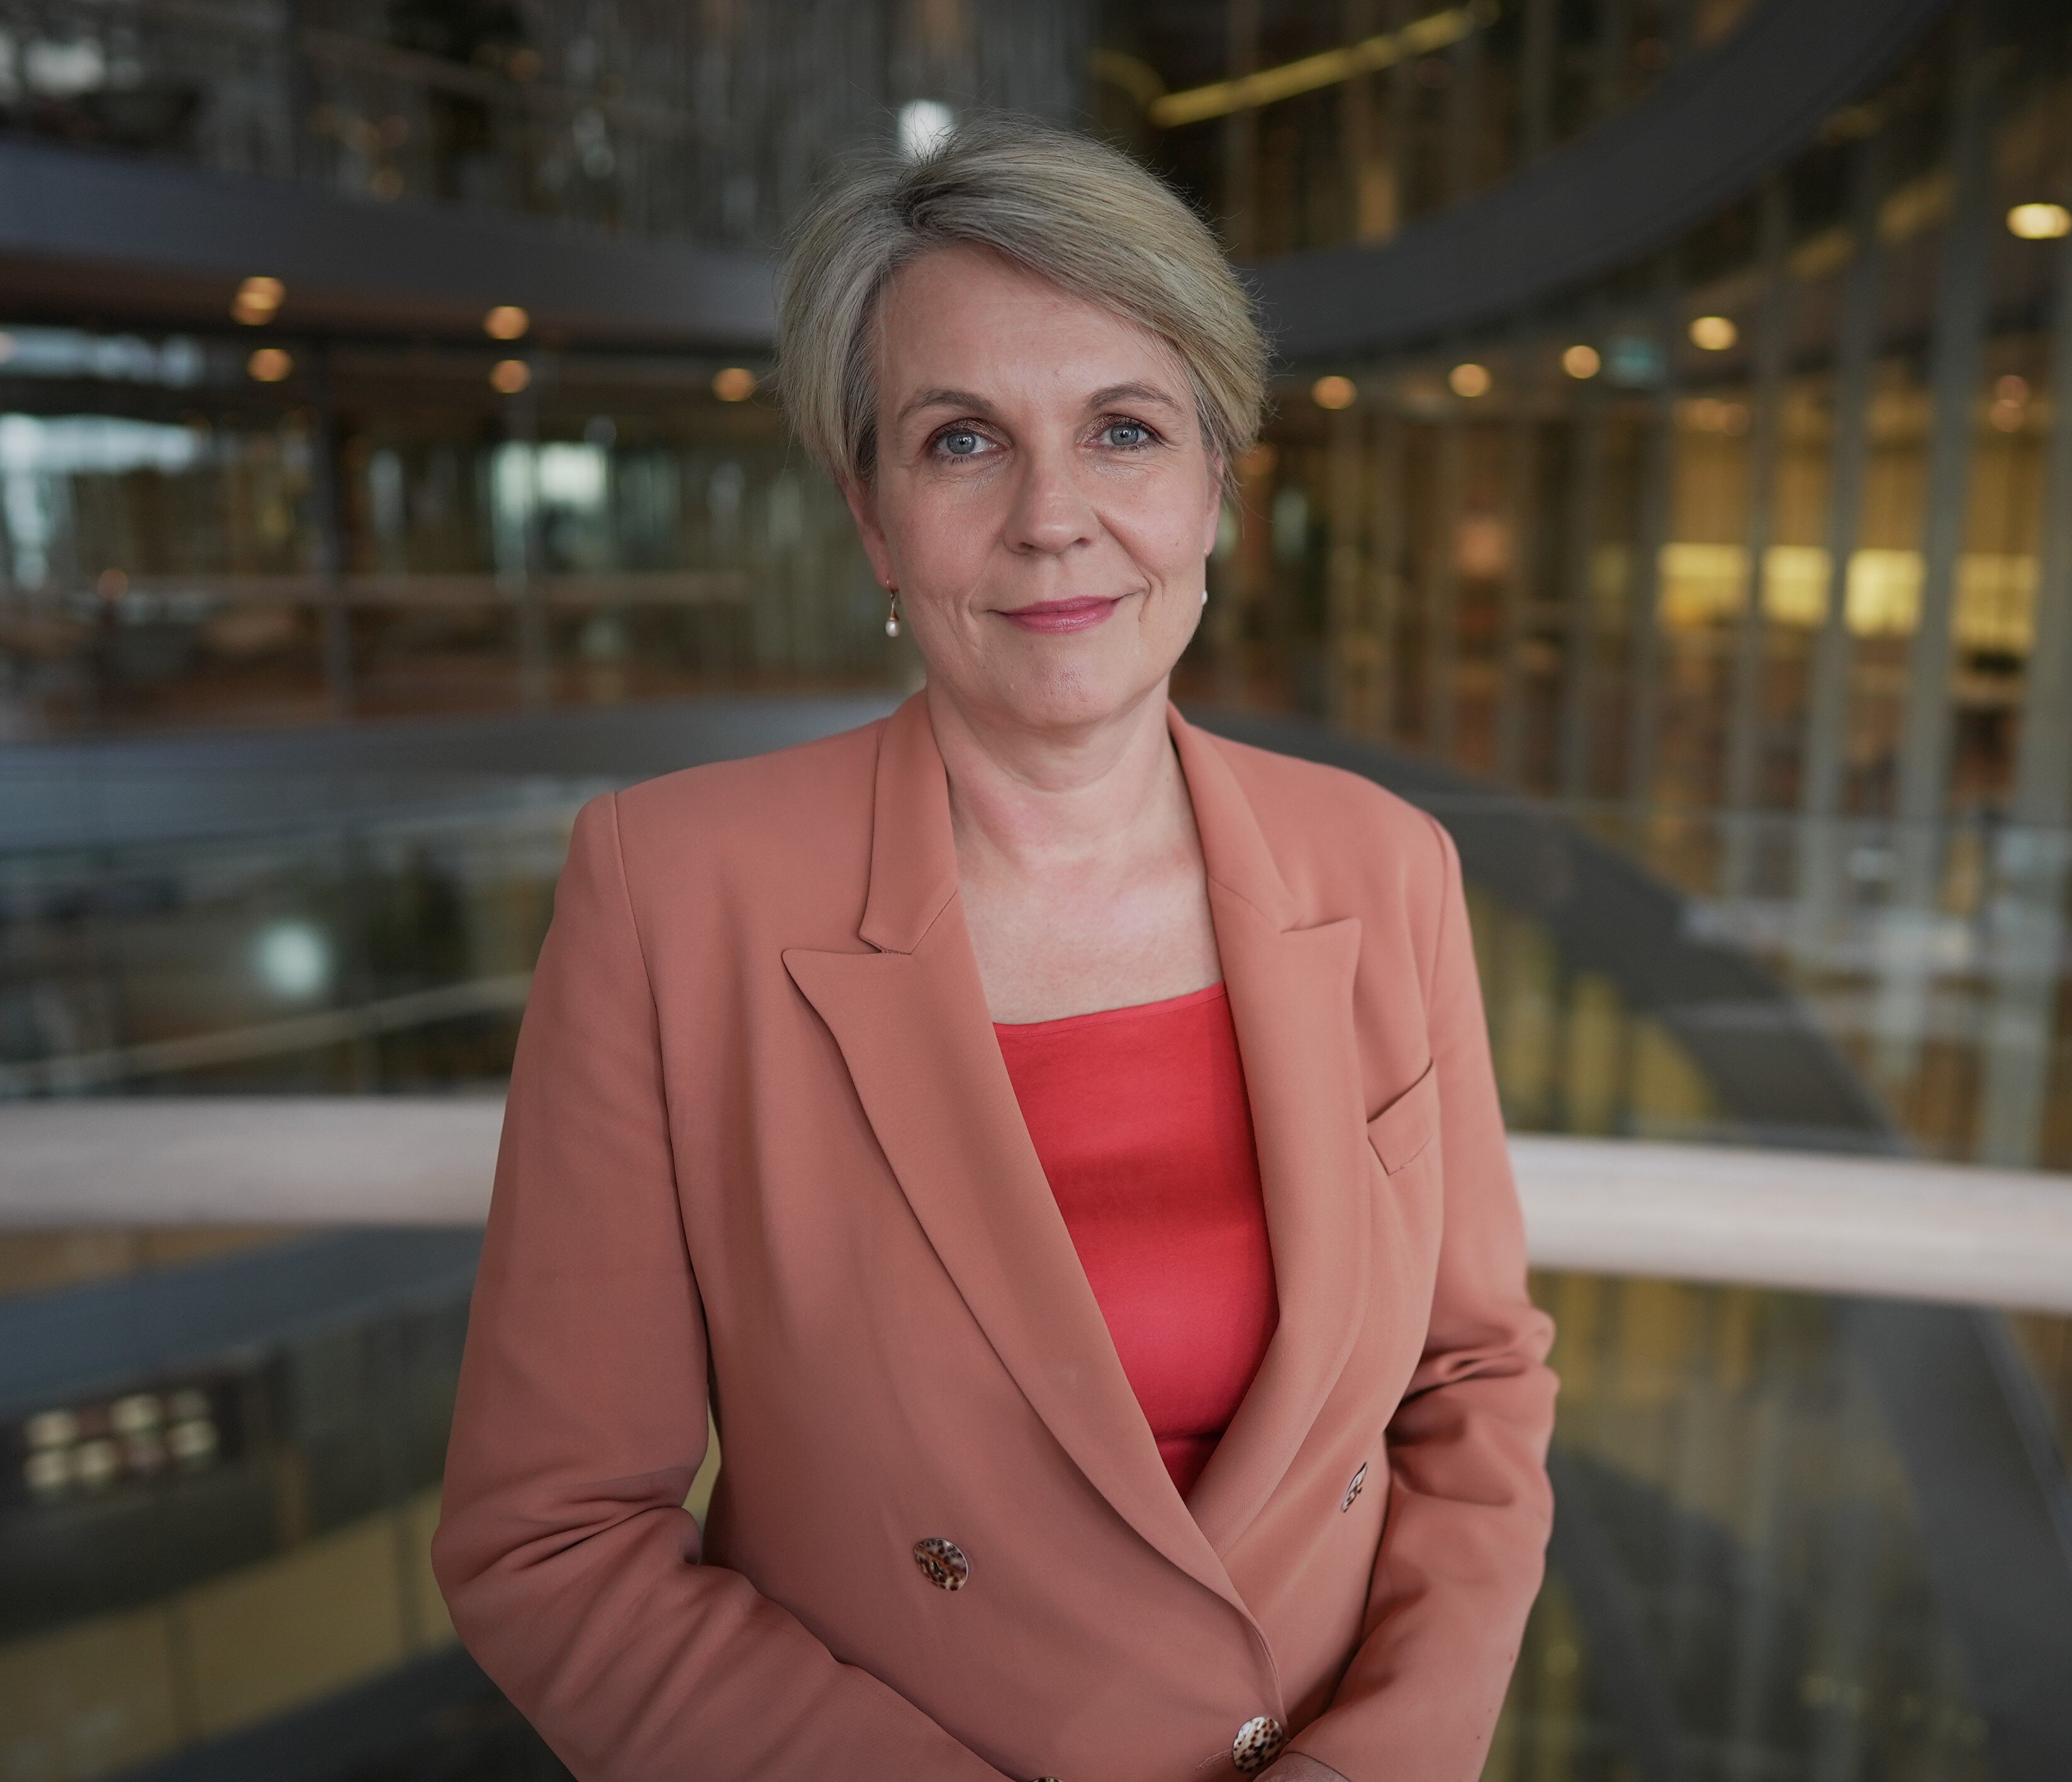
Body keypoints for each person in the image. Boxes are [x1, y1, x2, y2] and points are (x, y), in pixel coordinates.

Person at [432, 113, 1558, 1782]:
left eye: (1123, 430)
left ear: (1216, 486)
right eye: (964, 442)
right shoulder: (673, 893)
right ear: (875, 520)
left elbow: (1475, 1389)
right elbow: (551, 1538)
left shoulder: (1383, 866)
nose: (1054, 517)